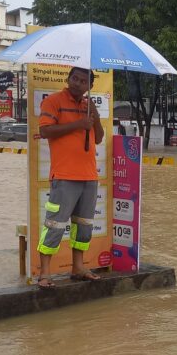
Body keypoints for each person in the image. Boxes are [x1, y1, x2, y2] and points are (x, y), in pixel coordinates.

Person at [36, 67, 105, 288]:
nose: (77, 83)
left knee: (84, 226)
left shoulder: (88, 106)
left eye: (83, 81)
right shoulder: (54, 101)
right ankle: (44, 274)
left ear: (90, 87)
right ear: (68, 79)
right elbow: (45, 131)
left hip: (89, 176)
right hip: (64, 176)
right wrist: (78, 124)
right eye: (74, 78)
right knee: (54, 225)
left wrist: (93, 115)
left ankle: (79, 268)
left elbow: (100, 138)